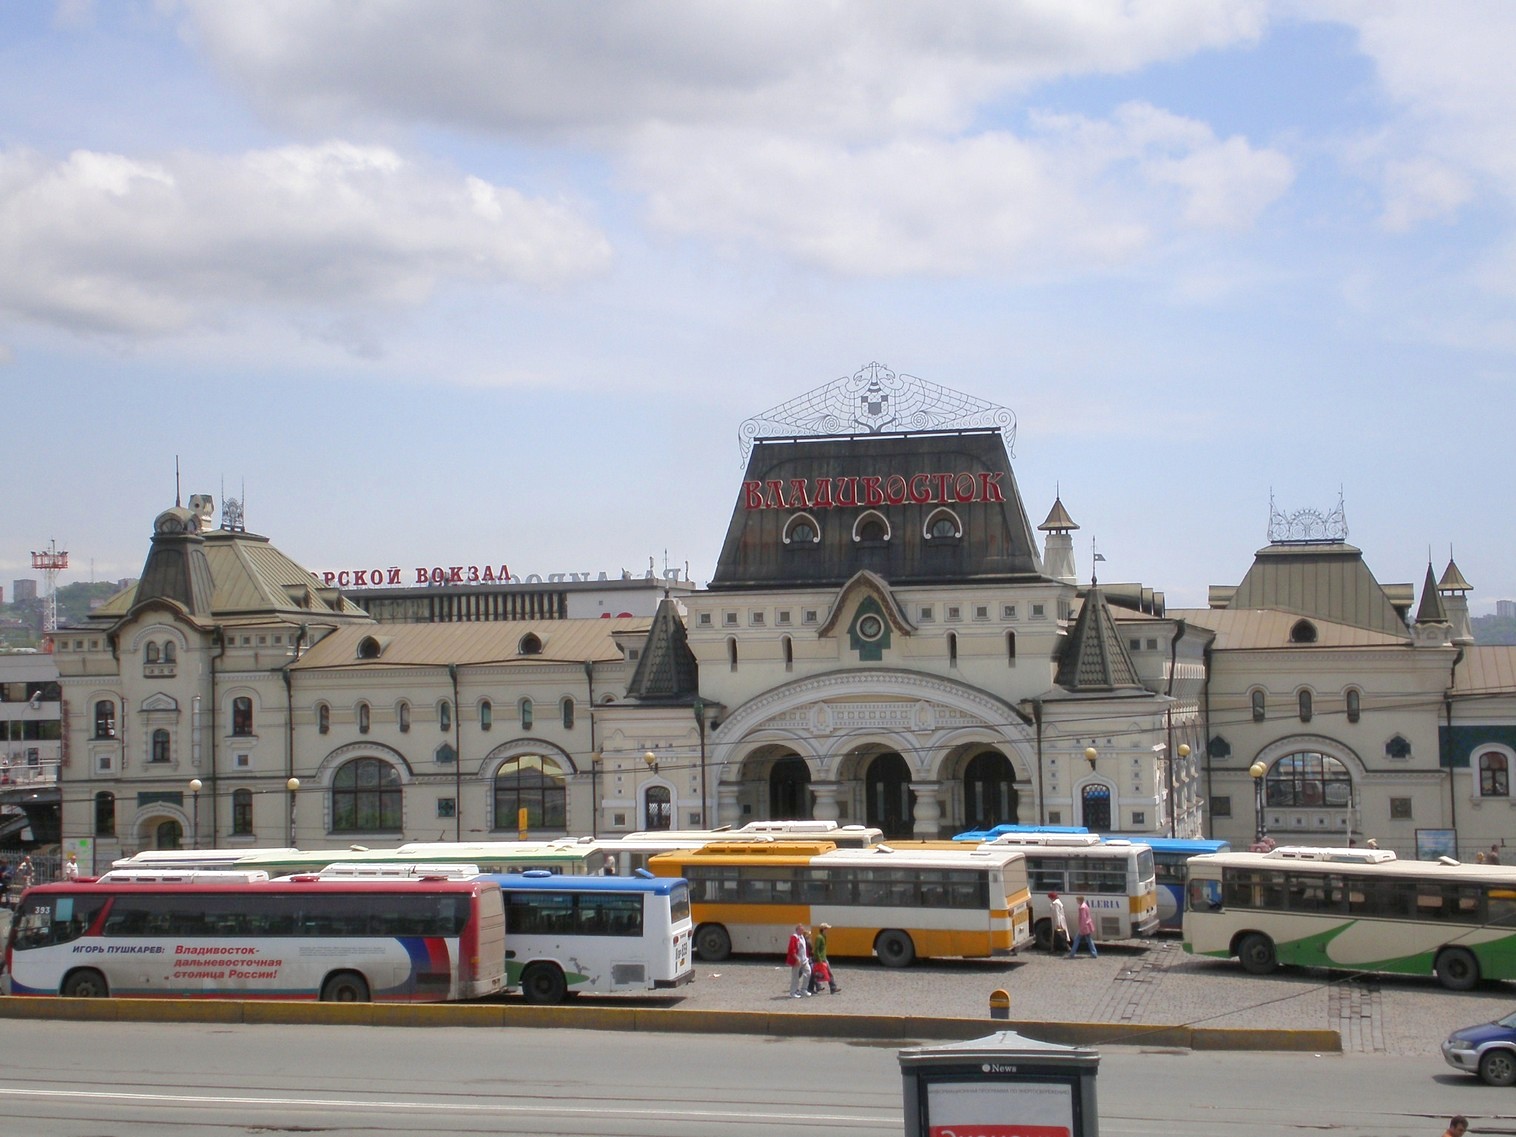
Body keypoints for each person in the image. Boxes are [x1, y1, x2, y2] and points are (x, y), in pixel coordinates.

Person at [810, 922, 840, 995]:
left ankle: (833, 988)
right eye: (827, 929)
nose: (828, 930)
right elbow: (816, 949)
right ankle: (810, 988)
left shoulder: (823, 936)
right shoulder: (819, 937)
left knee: (822, 973)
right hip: (820, 959)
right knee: (815, 974)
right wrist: (819, 959)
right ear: (823, 929)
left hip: (823, 958)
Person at [786, 923, 812, 997]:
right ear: (797, 930)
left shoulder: (802, 937)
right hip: (797, 960)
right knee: (795, 977)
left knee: (808, 972)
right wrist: (796, 959)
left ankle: (804, 989)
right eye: (801, 929)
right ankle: (793, 992)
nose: (803, 930)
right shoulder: (794, 937)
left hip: (804, 959)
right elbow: (792, 949)